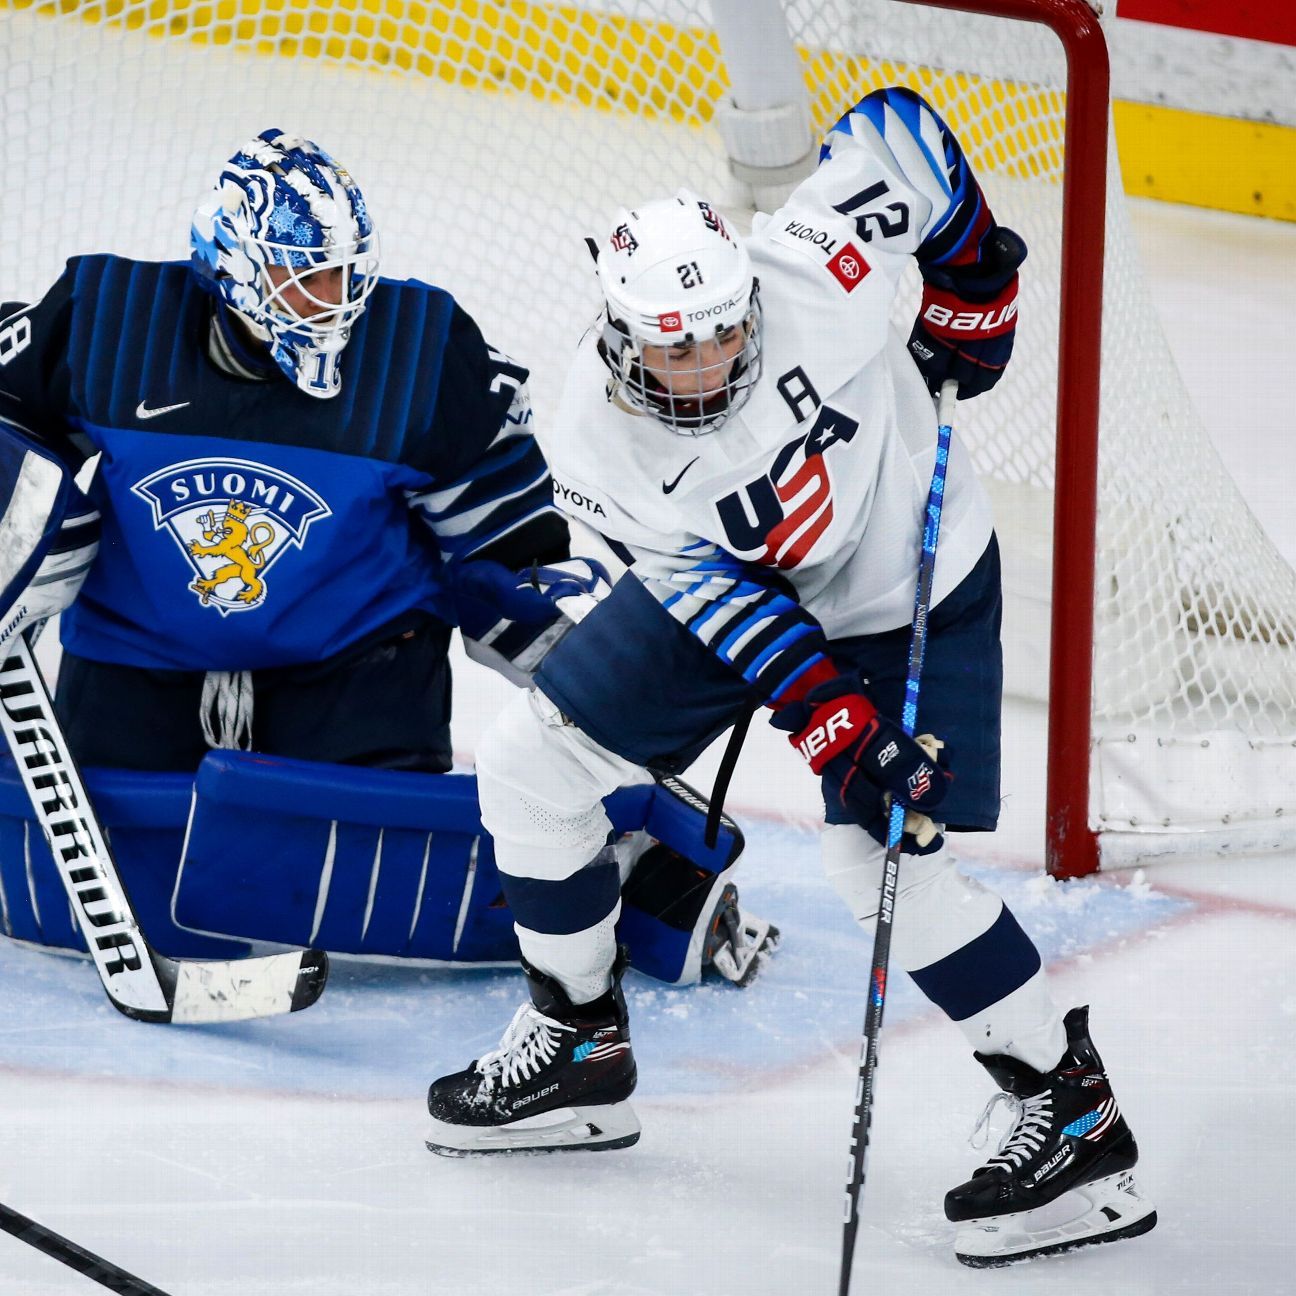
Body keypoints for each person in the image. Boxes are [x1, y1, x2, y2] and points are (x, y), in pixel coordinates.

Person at [423, 88, 1157, 1267]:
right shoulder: (597, 438)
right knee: (528, 767)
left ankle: (1072, 1111)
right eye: (674, 345)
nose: (708, 360)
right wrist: (842, 729)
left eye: (723, 330)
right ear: (620, 336)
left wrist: (975, 292)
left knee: (884, 870)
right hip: (747, 592)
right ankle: (577, 1045)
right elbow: (724, 605)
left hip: (909, 570)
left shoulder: (817, 271)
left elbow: (904, 129)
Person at [0, 128, 771, 987]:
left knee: (377, 882)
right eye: (308, 277)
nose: (338, 300)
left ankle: (636, 885)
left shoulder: (418, 348)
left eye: (348, 272)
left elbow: (512, 548)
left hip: (354, 672)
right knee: (107, 864)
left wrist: (602, 689)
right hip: (137, 667)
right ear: (233, 269)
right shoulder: (106, 318)